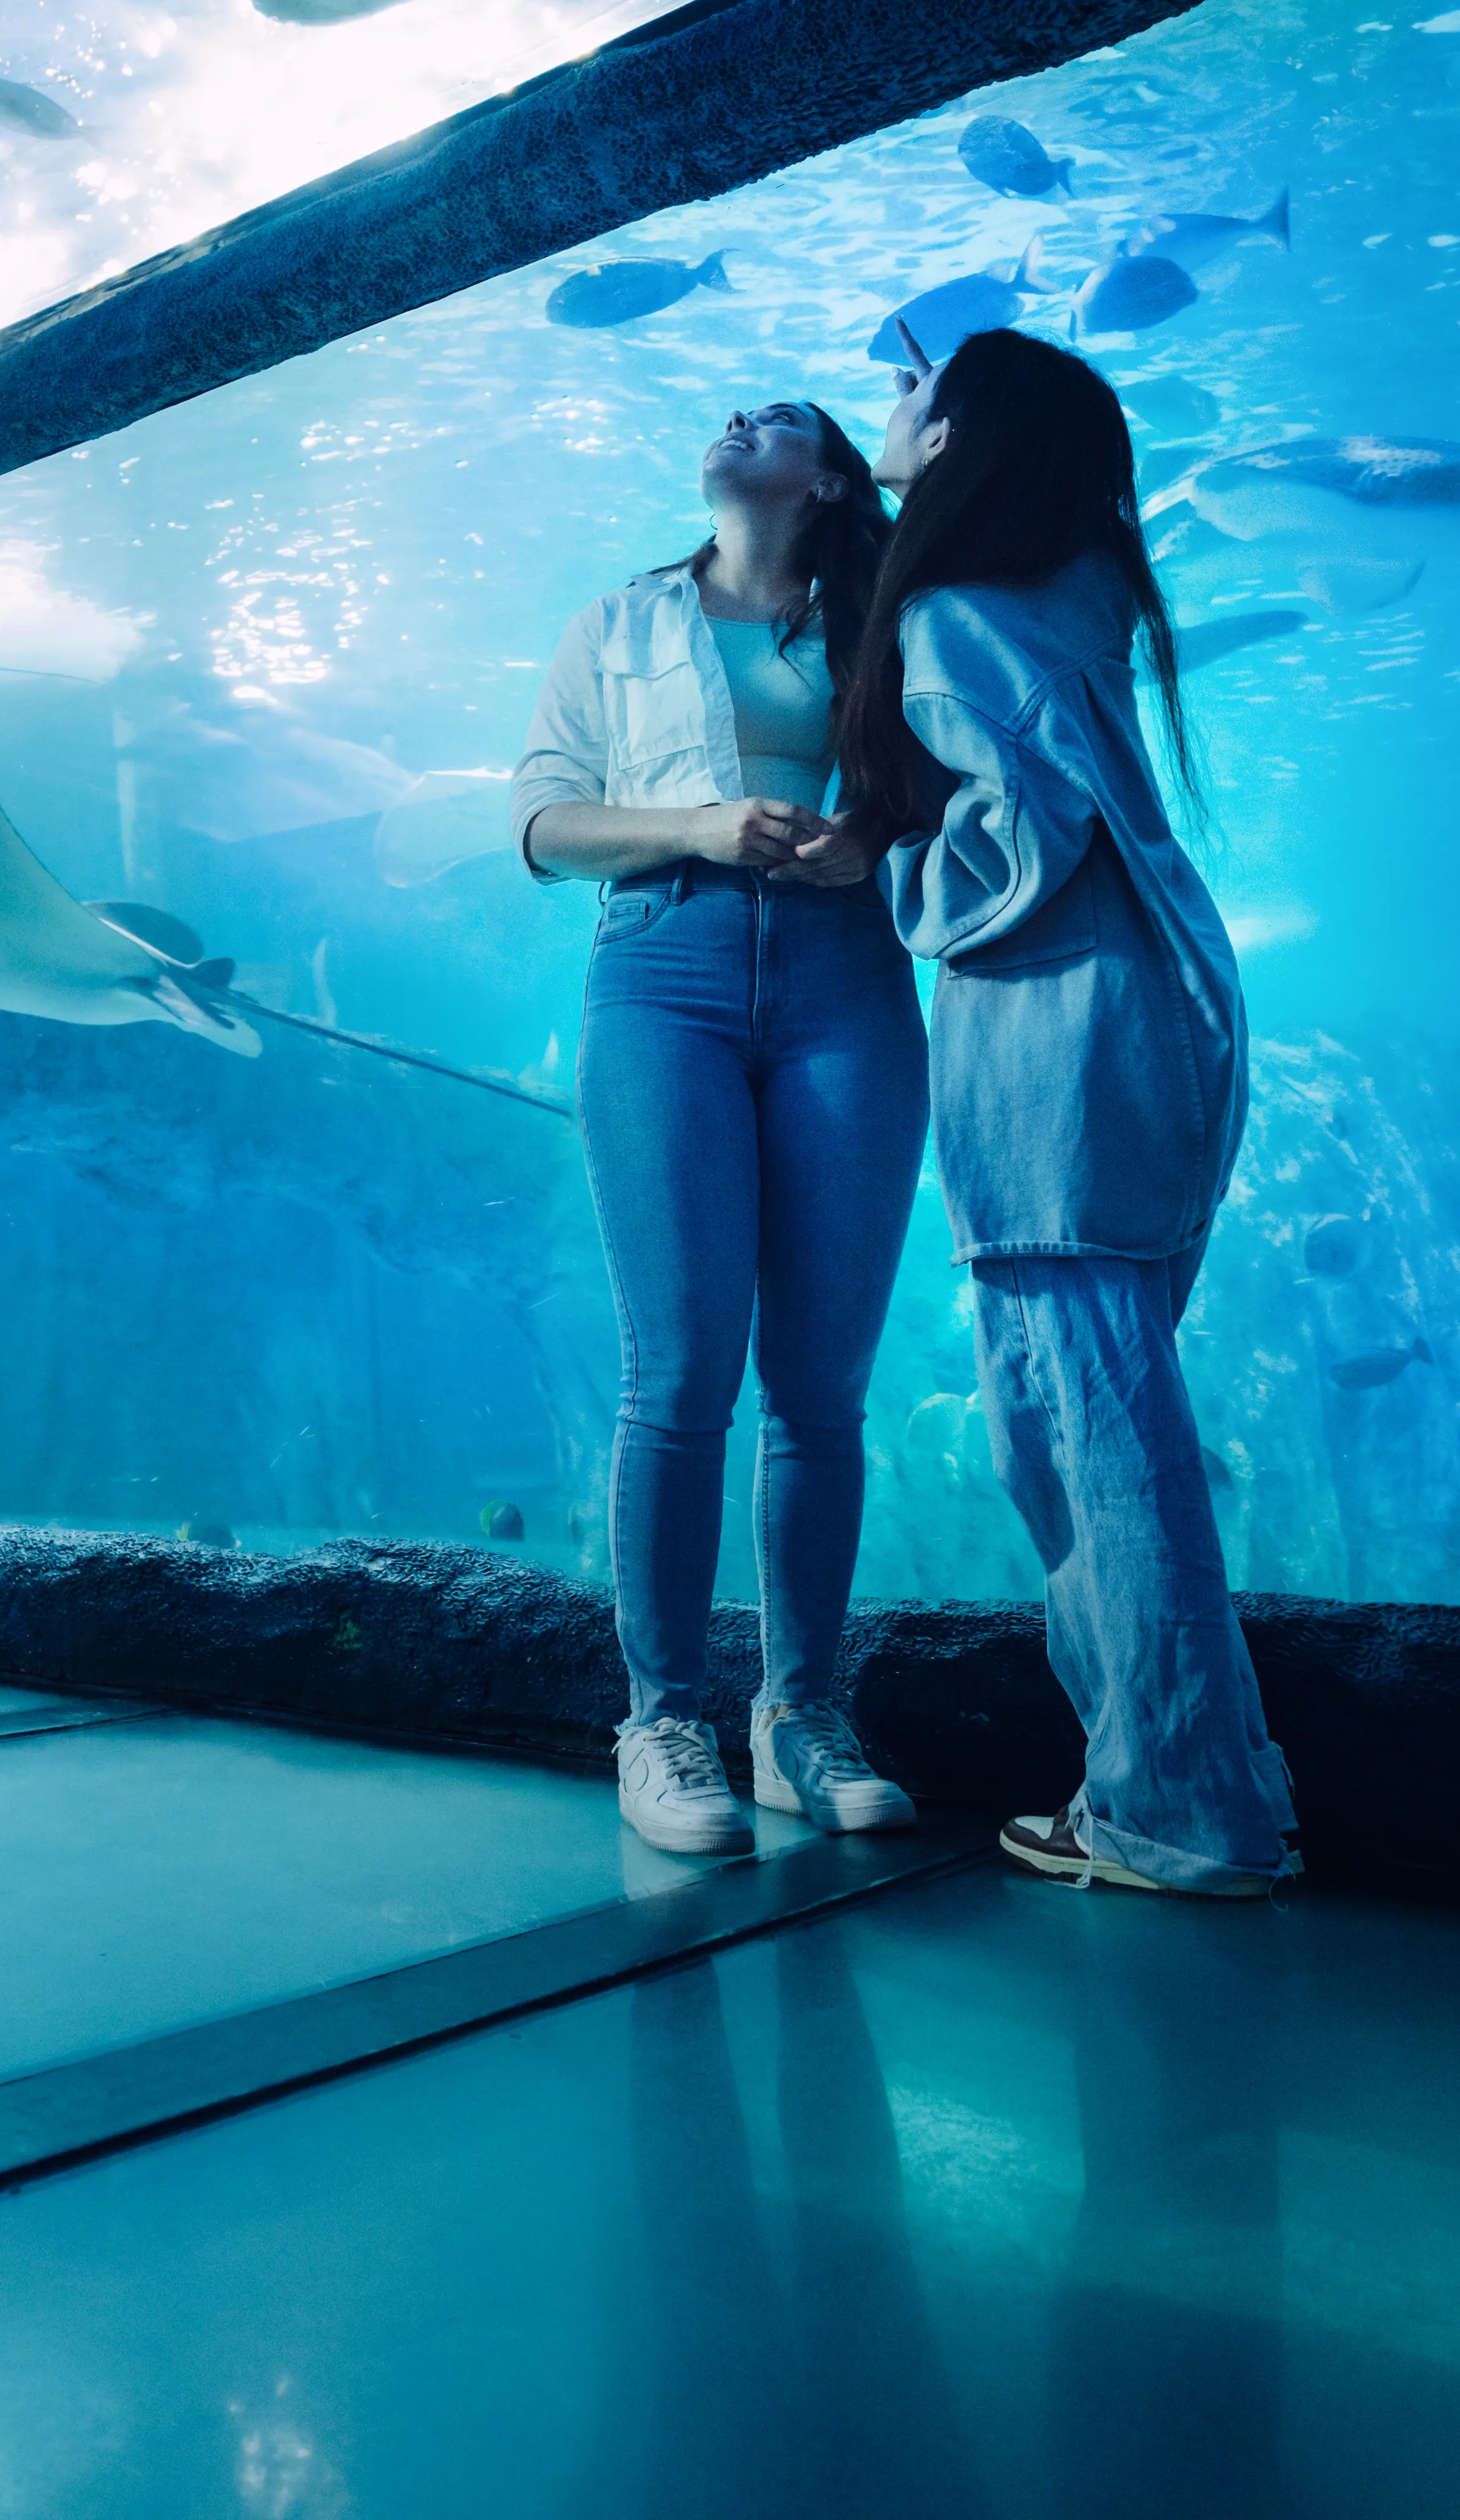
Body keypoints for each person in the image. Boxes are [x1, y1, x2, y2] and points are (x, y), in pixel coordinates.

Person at [836, 327, 1295, 1897]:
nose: (884, 411)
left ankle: (1175, 1808)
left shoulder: (958, 615)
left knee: (1084, 1441)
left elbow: (1018, 837)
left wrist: (884, 870)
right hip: (1156, 1016)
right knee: (1121, 1420)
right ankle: (1206, 1781)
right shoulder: (1080, 585)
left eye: (912, 395)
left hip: (1058, 1048)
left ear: (960, 438)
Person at [518, 401, 933, 1859]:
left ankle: (802, 1714)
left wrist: (864, 839)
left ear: (824, 478)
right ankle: (664, 1717)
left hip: (847, 976)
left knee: (822, 1380)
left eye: (775, 415)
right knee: (683, 1364)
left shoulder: (890, 620)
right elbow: (545, 822)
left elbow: (939, 786)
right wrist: (697, 828)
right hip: (662, 967)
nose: (732, 417)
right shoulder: (617, 622)